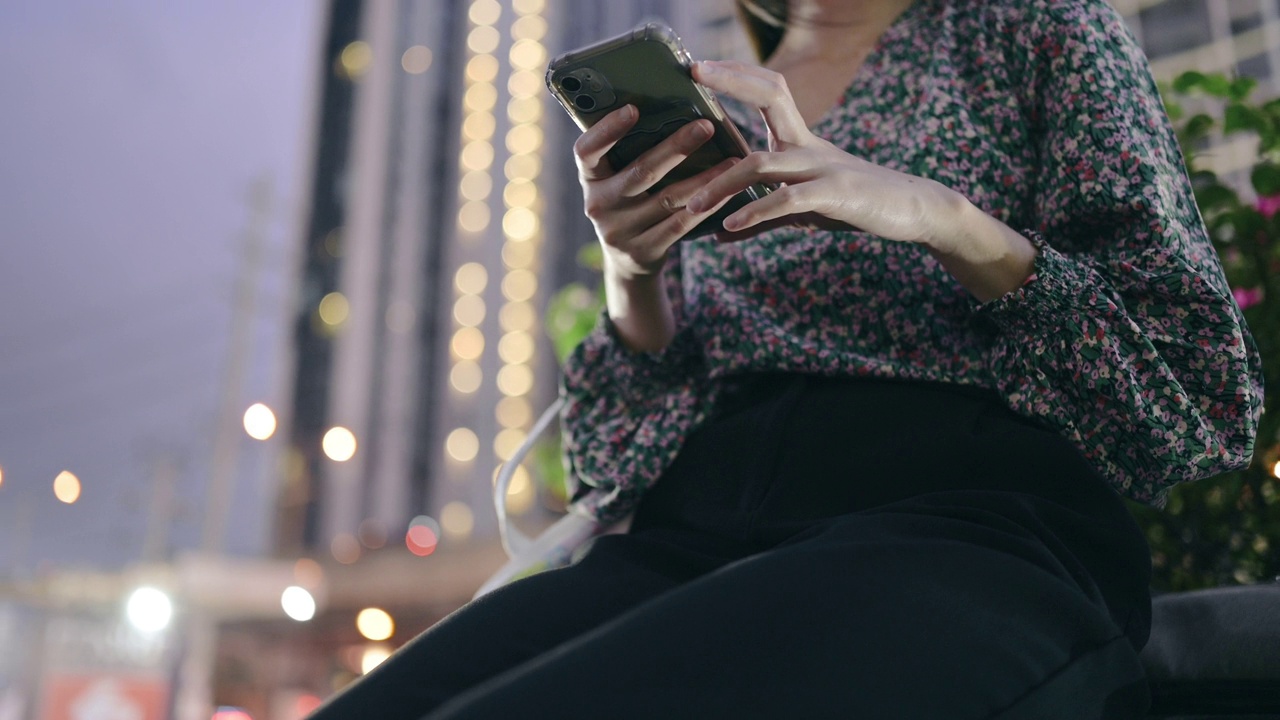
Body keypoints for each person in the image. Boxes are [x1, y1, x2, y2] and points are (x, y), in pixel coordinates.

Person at [310, 0, 1263, 717]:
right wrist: (631, 267)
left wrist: (943, 220)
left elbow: (1192, 402)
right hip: (697, 532)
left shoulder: (1032, 25)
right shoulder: (718, 79)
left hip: (970, 528)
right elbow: (616, 461)